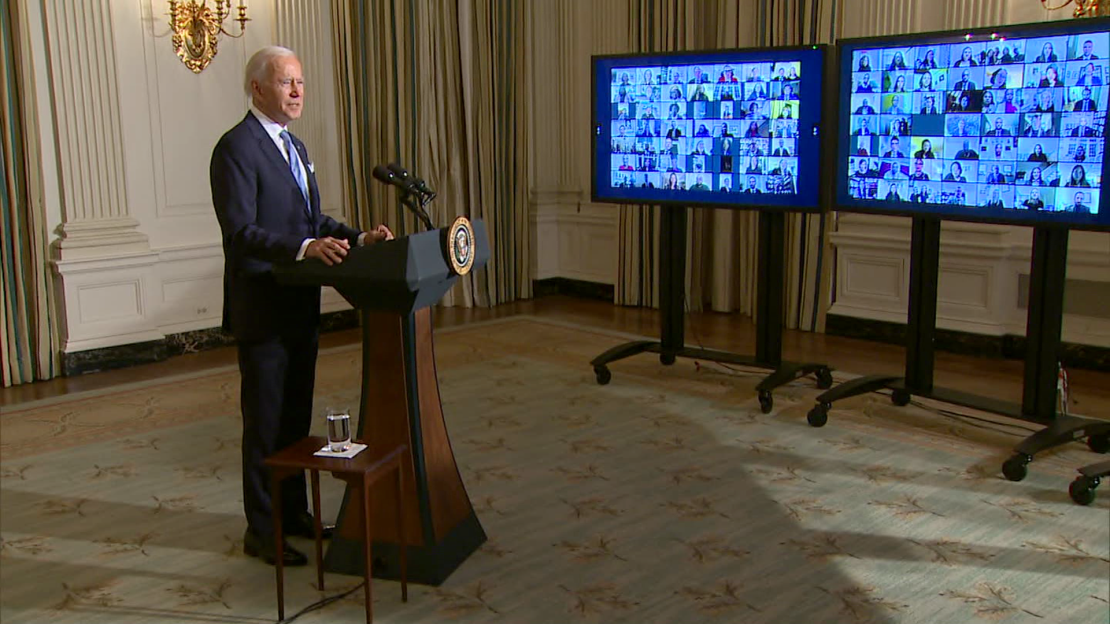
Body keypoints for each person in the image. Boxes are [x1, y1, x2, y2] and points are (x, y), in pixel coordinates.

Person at [210, 47, 394, 567]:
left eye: (301, 82)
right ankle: (262, 531)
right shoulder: (236, 149)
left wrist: (358, 238)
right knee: (265, 426)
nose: (297, 91)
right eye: (286, 82)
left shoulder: (295, 146)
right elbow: (241, 233)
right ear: (257, 89)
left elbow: (311, 223)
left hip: (299, 309)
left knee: (295, 424)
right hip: (264, 312)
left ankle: (293, 514)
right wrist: (303, 249)